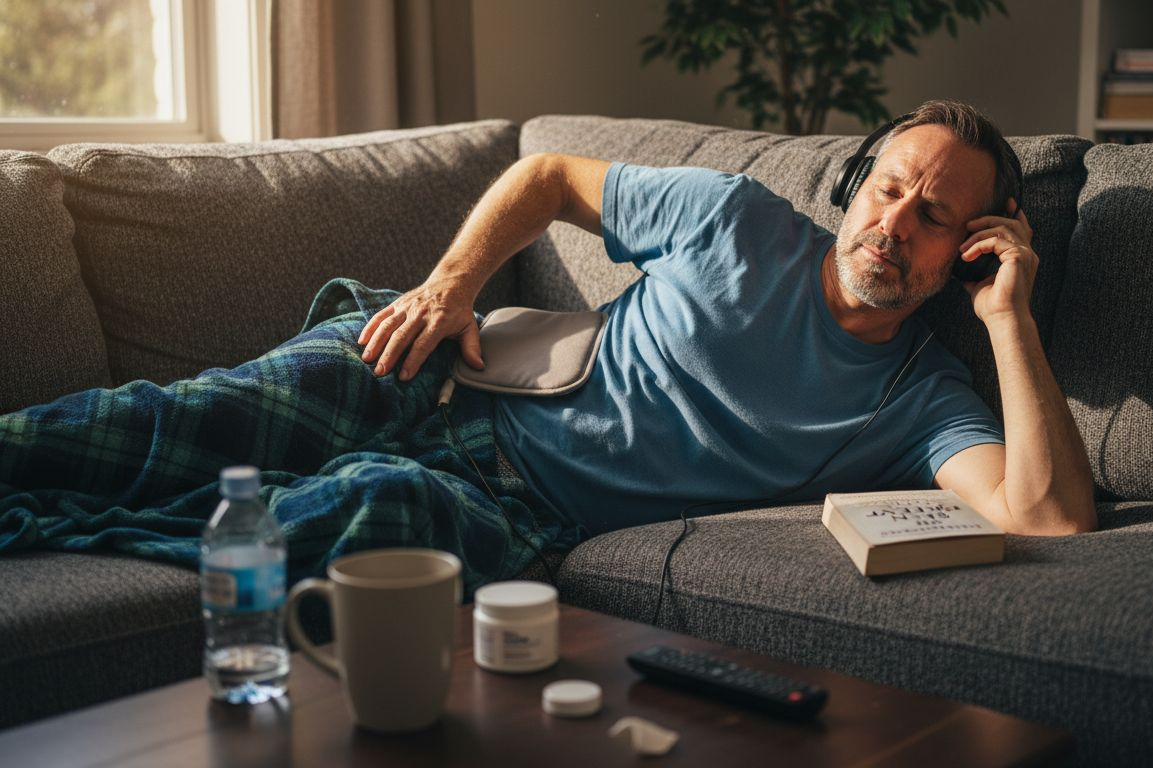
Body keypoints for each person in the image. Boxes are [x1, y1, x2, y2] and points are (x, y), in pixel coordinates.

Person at [0, 100, 1094, 594]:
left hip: (524, 509)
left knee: (364, 511)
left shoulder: (922, 397)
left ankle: (49, 531)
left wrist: (1007, 320)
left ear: (969, 250)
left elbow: (1046, 515)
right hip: (451, 365)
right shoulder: (737, 219)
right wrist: (446, 287)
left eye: (938, 217)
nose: (897, 225)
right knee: (179, 421)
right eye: (890, 190)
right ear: (856, 190)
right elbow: (549, 177)